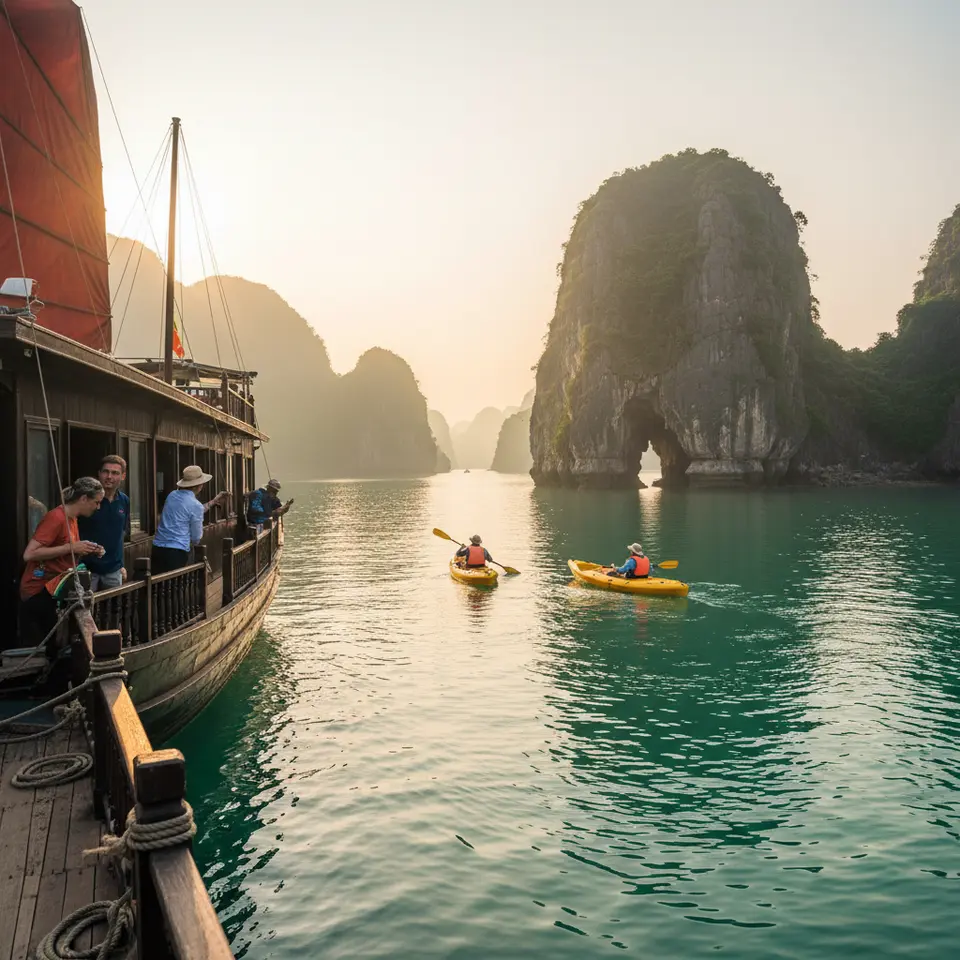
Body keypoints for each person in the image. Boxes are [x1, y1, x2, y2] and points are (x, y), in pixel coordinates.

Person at [20, 477, 104, 647]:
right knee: (47, 648)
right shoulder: (56, 518)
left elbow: (67, 550)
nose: (98, 507)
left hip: (55, 590)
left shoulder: (72, 519)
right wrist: (71, 547)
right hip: (39, 591)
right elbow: (29, 554)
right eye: (96, 502)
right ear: (83, 499)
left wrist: (88, 549)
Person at [151, 465, 228, 574]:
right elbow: (196, 537)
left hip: (158, 548)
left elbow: (189, 511)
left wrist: (213, 502)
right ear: (199, 486)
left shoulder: (172, 495)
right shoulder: (195, 505)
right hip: (177, 552)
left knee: (156, 586)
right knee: (175, 587)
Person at [78, 454, 130, 591]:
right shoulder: (86, 500)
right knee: (86, 610)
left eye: (115, 473)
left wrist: (121, 565)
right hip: (87, 568)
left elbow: (121, 533)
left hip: (113, 569)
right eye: (106, 472)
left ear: (123, 476)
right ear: (99, 474)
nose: (109, 477)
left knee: (114, 610)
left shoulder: (124, 501)